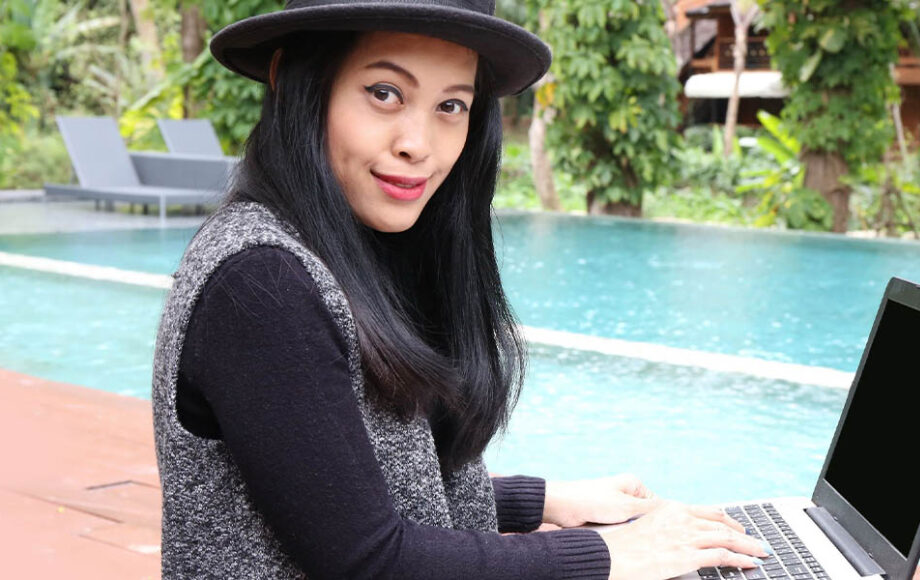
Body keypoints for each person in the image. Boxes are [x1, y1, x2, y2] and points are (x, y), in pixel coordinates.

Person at [151, 1, 769, 578]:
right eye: (385, 93)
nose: (418, 145)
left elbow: (333, 487)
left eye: (451, 106)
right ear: (296, 80)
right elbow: (367, 557)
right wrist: (610, 553)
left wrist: (544, 500)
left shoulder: (354, 245)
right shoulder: (263, 282)